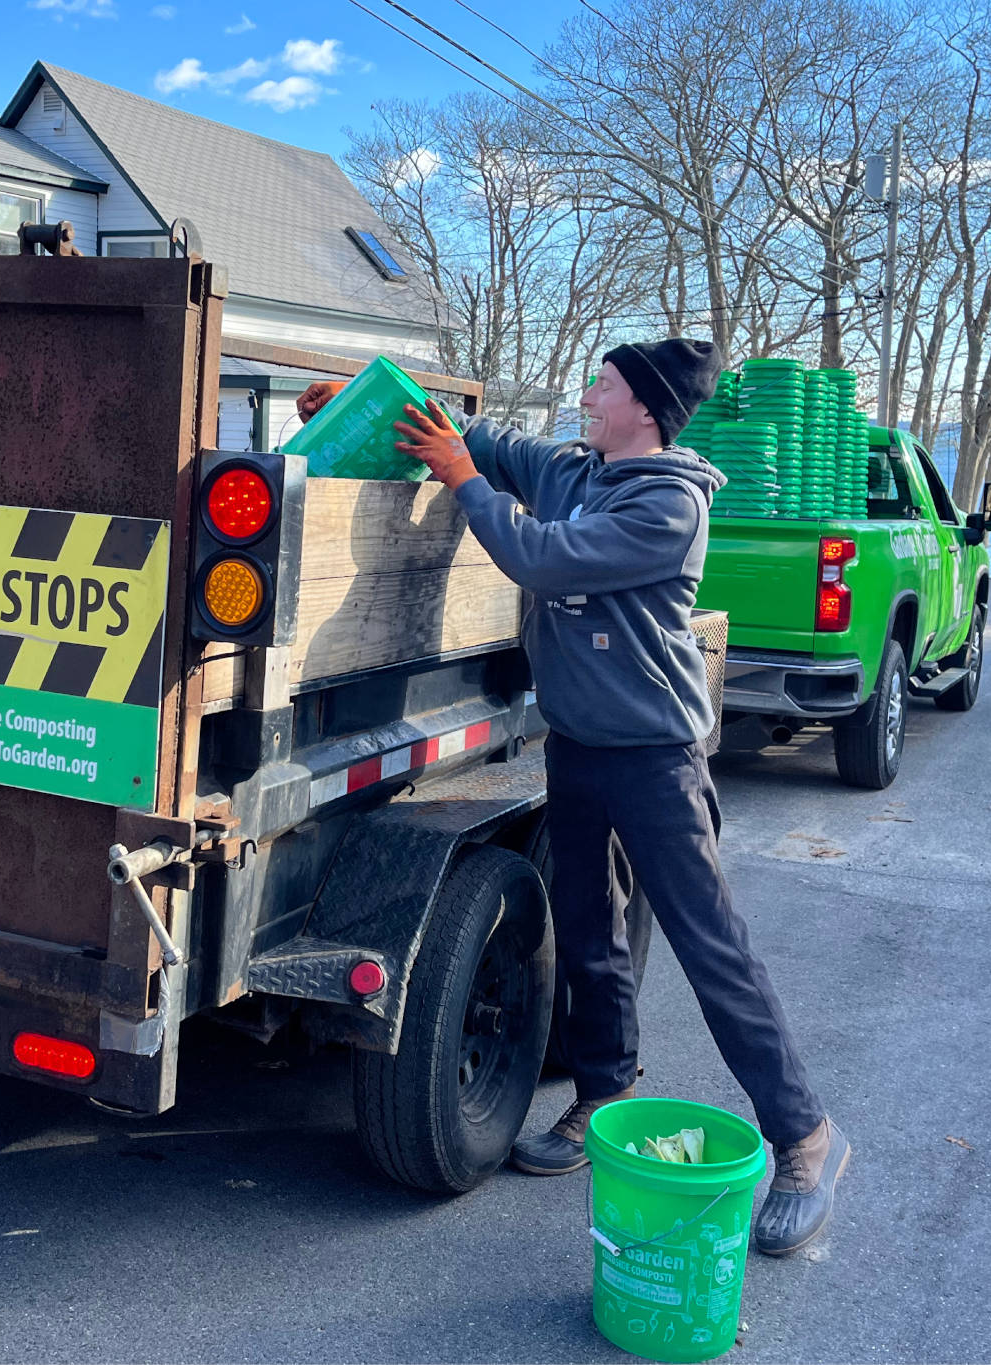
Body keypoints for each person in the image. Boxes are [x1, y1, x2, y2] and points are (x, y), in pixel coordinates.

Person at [294, 343, 848, 1256]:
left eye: (607, 387)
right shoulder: (578, 469)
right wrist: (383, 409)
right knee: (588, 928)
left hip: (655, 758)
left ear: (648, 411)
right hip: (580, 745)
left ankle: (803, 1137)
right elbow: (487, 439)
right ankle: (602, 1091)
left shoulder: (667, 504)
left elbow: (541, 558)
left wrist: (467, 480)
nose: (589, 397)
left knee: (714, 948)